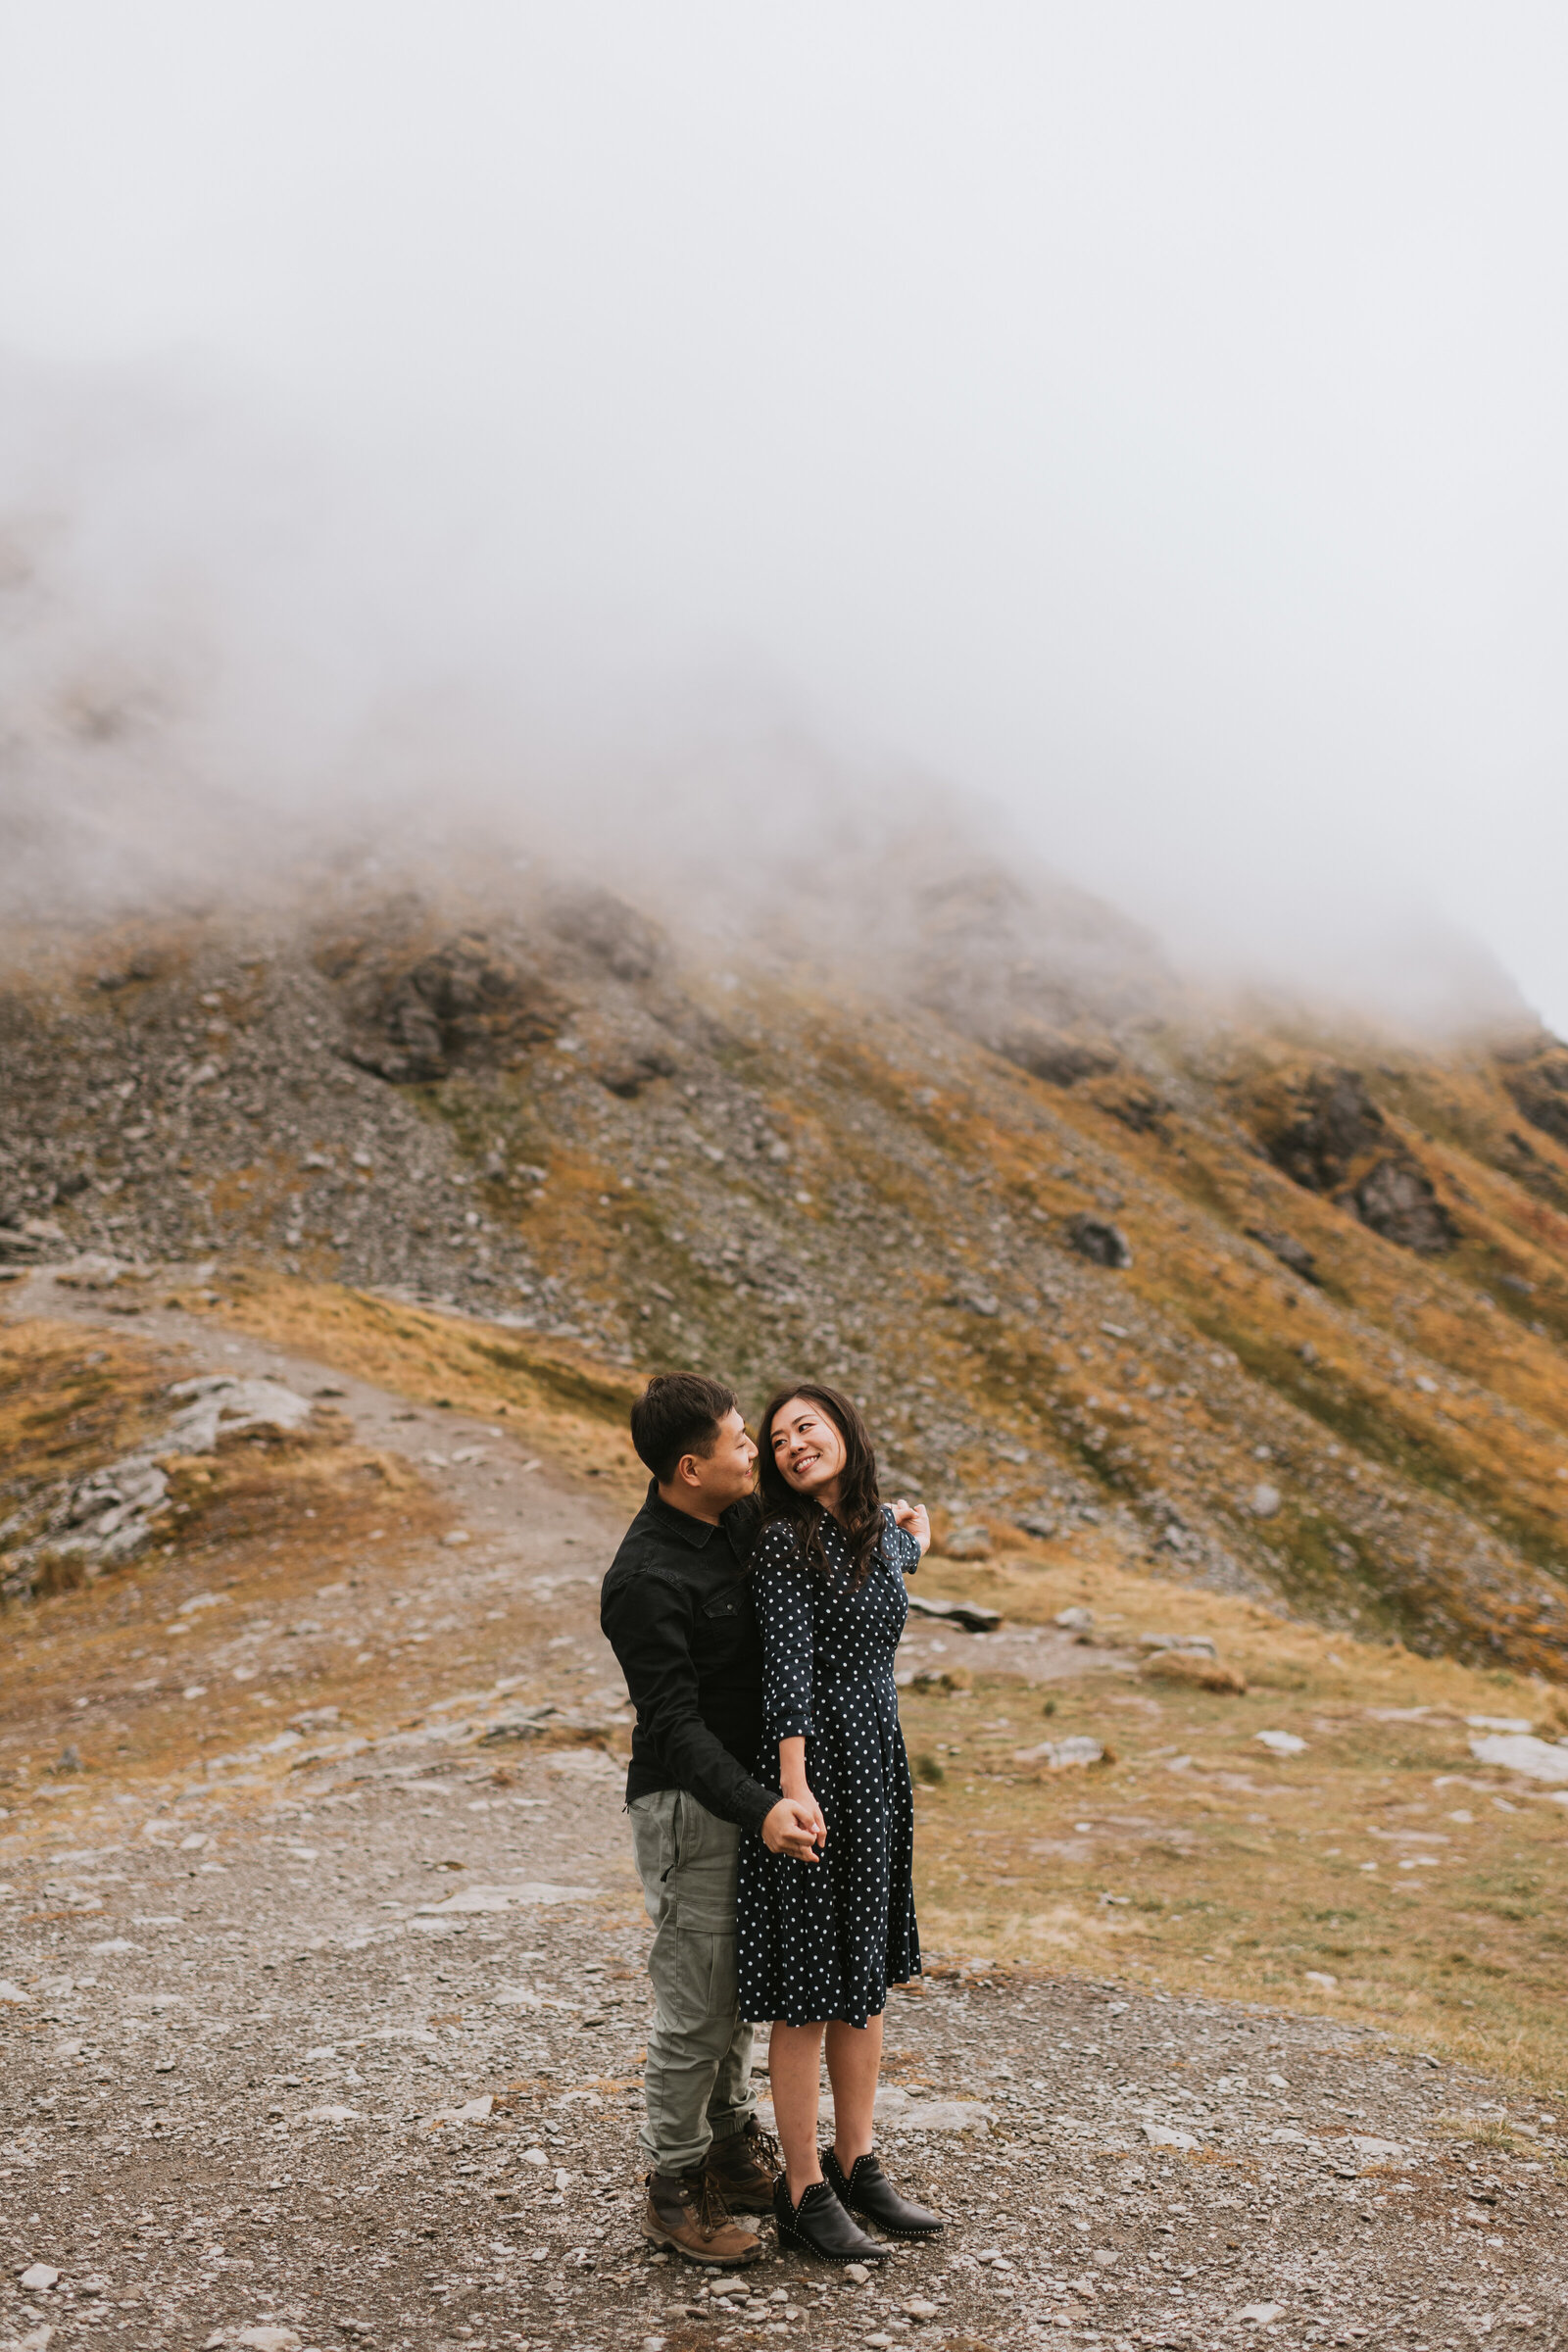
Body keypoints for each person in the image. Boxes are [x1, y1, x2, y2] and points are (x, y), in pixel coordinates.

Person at [601, 1371, 823, 2269]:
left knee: (736, 1991)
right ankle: (673, 2185)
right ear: (690, 1468)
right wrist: (761, 1805)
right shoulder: (644, 1578)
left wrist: (899, 1532)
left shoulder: (731, 1517)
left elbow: (813, 1514)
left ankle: (731, 2150)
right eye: (738, 1441)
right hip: (691, 1808)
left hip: (746, 1802)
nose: (753, 1451)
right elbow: (676, 1727)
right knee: (696, 2006)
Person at [736, 1383, 946, 2262]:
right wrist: (792, 1788)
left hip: (879, 1769)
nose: (792, 1444)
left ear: (845, 1433)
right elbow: (784, 1672)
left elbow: (906, 1549)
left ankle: (856, 2165)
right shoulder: (784, 1542)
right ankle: (802, 2189)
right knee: (808, 1990)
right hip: (816, 1773)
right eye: (778, 1438)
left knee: (862, 1975)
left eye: (807, 1427)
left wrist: (919, 1534)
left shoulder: (874, 1531)